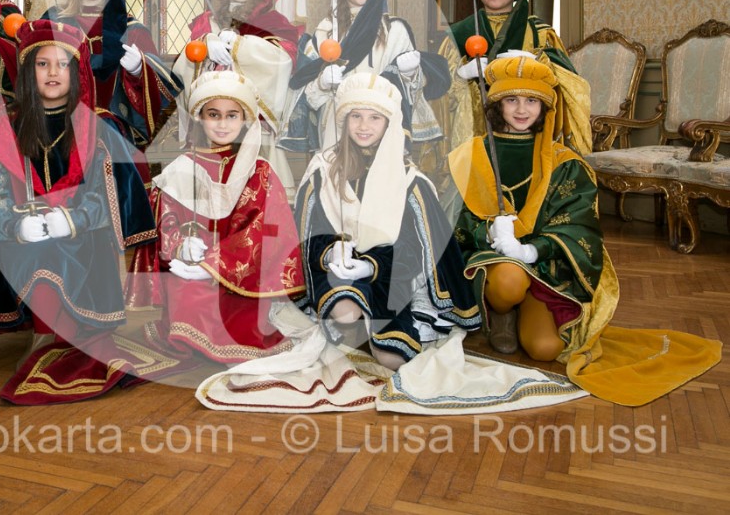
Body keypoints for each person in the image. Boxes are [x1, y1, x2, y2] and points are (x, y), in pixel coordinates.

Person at [0, 18, 158, 404]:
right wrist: (15, 224)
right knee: (31, 247)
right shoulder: (7, 128)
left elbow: (110, 193)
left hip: (84, 236)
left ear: (77, 72)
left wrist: (72, 219)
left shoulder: (98, 127)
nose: (53, 72)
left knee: (61, 247)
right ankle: (44, 332)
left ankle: (61, 333)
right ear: (28, 72)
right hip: (27, 232)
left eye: (62, 64)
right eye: (43, 64)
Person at [295, 73, 479, 370]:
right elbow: (308, 231)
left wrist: (370, 266)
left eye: (374, 118)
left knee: (392, 358)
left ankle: (367, 330)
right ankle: (352, 326)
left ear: (389, 123)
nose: (363, 126)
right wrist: (331, 252)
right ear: (344, 119)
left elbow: (413, 250)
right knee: (345, 312)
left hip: (387, 273)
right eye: (356, 116)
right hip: (336, 270)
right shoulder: (324, 171)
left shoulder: (408, 179)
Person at [131, 70, 306, 362]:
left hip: (242, 280)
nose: (223, 124)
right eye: (214, 115)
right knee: (188, 294)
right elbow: (166, 222)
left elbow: (264, 233)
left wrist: (214, 265)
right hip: (191, 269)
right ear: (200, 118)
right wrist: (180, 245)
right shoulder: (182, 167)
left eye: (232, 116)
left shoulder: (259, 172)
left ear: (245, 119)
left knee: (228, 312)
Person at [448, 55, 611, 361]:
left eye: (531, 101)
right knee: (510, 282)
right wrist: (488, 232)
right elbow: (449, 219)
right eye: (511, 100)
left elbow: (579, 226)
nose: (522, 110)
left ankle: (525, 306)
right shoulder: (469, 156)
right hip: (494, 265)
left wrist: (528, 251)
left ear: (545, 107)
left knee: (546, 349)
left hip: (543, 268)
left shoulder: (564, 163)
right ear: (497, 104)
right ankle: (502, 312)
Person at [287, 0, 449, 153]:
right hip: (337, 133)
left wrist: (410, 74)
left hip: (383, 130)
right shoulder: (326, 30)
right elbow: (310, 98)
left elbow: (411, 94)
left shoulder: (395, 30)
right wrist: (322, 83)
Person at [438, 0, 591, 155]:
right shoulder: (458, 34)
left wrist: (536, 64)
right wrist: (460, 75)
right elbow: (437, 94)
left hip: (527, 134)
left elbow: (568, 86)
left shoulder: (539, 34)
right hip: (472, 135)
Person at [172, 0, 301, 189]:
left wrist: (241, 46)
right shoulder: (206, 22)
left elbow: (285, 60)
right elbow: (183, 70)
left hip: (252, 126)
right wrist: (206, 45)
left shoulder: (273, 22)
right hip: (211, 124)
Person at [48, 0, 180, 150]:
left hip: (117, 140)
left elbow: (160, 95)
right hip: (61, 134)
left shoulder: (132, 31)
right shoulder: (53, 22)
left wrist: (139, 70)